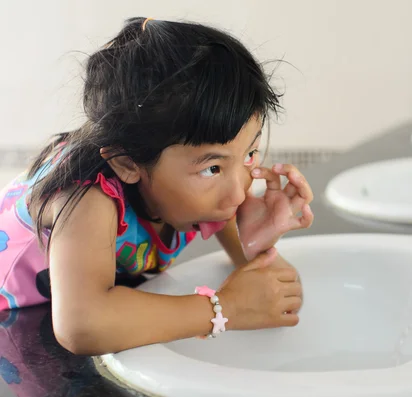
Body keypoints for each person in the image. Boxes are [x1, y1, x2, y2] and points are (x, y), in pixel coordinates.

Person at [0, 17, 314, 355]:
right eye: (213, 167)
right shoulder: (86, 200)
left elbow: (272, 287)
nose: (238, 191)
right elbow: (82, 324)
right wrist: (224, 308)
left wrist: (253, 241)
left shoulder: (204, 186)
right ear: (127, 163)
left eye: (250, 153)